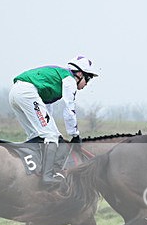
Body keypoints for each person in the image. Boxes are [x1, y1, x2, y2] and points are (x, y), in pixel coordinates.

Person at [8, 55, 99, 187]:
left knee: (38, 135)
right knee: (51, 136)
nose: (86, 84)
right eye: (88, 78)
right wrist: (74, 135)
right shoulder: (69, 80)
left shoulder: (57, 79)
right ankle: (47, 176)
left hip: (15, 93)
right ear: (79, 74)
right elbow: (69, 109)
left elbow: (45, 109)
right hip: (26, 93)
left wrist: (54, 131)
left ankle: (32, 169)